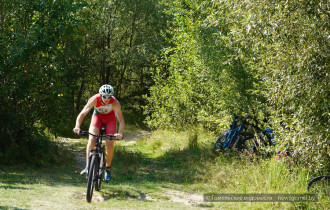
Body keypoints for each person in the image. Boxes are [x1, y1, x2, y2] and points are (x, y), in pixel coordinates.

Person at [73, 84, 125, 182]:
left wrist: (120, 133)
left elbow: (121, 120)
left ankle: (107, 169)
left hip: (110, 120)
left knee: (109, 144)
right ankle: (88, 166)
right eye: (104, 96)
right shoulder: (94, 99)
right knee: (92, 139)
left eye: (109, 97)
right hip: (97, 118)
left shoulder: (115, 103)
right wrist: (77, 126)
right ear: (100, 95)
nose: (106, 98)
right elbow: (82, 113)